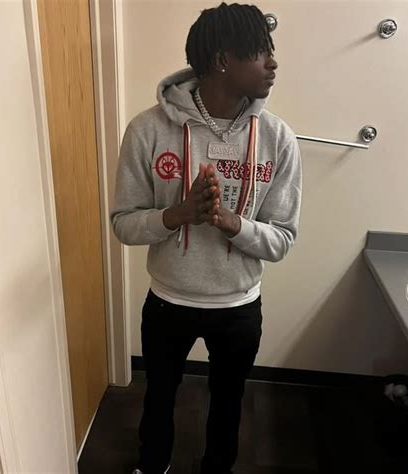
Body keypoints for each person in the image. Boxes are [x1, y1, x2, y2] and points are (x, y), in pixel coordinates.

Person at [111, 3, 303, 473]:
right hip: (167, 302)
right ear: (222, 60)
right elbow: (123, 224)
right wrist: (177, 215)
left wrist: (232, 223)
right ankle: (151, 465)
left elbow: (282, 240)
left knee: (229, 403)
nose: (273, 63)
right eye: (260, 52)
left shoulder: (278, 138)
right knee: (158, 397)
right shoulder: (147, 130)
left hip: (239, 306)